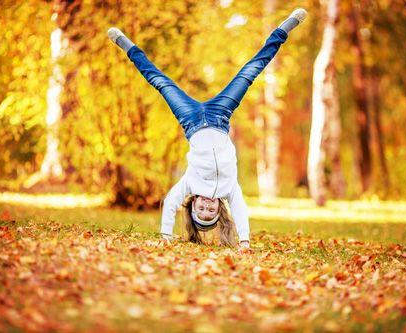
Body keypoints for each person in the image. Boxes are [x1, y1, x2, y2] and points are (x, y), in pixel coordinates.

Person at [108, 8, 307, 249]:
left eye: (200, 209)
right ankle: (283, 31)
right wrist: (244, 242)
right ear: (218, 209)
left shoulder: (189, 184)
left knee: (159, 81)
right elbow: (241, 210)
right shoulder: (229, 189)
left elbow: (171, 202)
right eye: (209, 211)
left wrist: (166, 237)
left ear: (192, 204)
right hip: (220, 116)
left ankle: (125, 43)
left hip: (190, 119)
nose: (207, 206)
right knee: (250, 71)